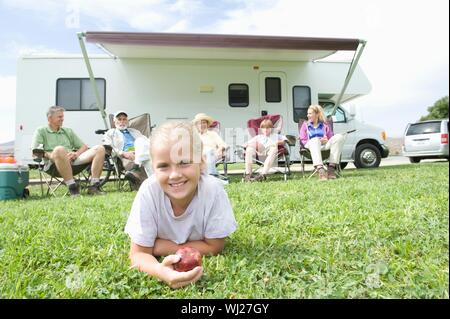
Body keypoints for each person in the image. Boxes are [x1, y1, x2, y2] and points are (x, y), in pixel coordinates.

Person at [124, 121, 237, 289]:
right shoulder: (149, 191)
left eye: (184, 162)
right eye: (163, 166)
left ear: (202, 163)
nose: (175, 175)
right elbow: (138, 253)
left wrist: (159, 246)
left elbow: (215, 246)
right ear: (153, 169)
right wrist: (160, 271)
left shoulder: (212, 191)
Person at [31, 106, 105, 196]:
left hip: (73, 162)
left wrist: (76, 154)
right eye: (59, 117)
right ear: (50, 118)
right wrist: (53, 156)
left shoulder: (67, 131)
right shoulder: (41, 131)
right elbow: (36, 151)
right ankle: (72, 187)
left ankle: (94, 186)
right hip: (53, 165)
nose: (62, 119)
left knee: (100, 148)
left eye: (62, 117)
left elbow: (84, 146)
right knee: (59, 149)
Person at [103, 111, 152, 190]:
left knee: (141, 141)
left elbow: (146, 142)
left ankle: (137, 165)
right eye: (119, 119)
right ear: (114, 121)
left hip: (140, 152)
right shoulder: (111, 133)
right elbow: (108, 146)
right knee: (148, 161)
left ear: (127, 121)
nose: (122, 122)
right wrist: (123, 153)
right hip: (126, 156)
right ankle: (150, 184)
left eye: (124, 119)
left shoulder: (134, 131)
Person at [299, 104, 345, 180]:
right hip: (310, 146)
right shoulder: (305, 125)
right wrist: (317, 141)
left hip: (324, 146)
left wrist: (326, 140)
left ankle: (331, 169)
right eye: (307, 113)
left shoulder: (325, 125)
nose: (307, 115)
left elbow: (331, 138)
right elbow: (303, 140)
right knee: (315, 140)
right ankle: (321, 171)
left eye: (310, 113)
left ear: (317, 114)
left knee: (339, 137)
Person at [192, 113, 228, 180]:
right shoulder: (194, 136)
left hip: (213, 154)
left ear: (207, 124)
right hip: (199, 156)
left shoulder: (213, 134)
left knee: (209, 151)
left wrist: (220, 149)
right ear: (196, 125)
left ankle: (210, 176)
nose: (202, 125)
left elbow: (223, 144)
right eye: (200, 123)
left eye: (204, 122)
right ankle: (212, 176)